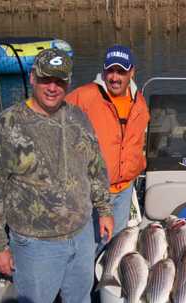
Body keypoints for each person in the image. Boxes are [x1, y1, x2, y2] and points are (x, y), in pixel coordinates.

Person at [0, 48, 113, 303]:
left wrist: (104, 209)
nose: (53, 87)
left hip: (81, 236)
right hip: (34, 245)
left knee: (79, 302)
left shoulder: (78, 117)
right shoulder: (7, 126)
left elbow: (95, 167)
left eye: (60, 81)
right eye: (45, 80)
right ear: (32, 78)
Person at [66, 45, 150, 252]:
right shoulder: (83, 96)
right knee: (86, 248)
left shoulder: (138, 101)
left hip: (125, 189)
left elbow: (139, 140)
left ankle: (106, 279)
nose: (115, 77)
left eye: (121, 72)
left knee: (113, 244)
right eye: (110, 71)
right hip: (92, 192)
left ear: (132, 72)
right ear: (103, 71)